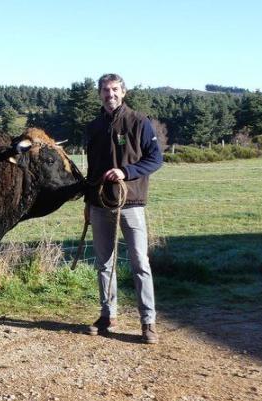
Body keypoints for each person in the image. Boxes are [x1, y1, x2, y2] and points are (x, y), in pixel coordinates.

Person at [84, 73, 163, 344]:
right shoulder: (93, 127)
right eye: (105, 90)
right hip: (99, 203)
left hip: (132, 203)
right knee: (104, 263)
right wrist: (87, 203)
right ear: (100, 95)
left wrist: (126, 172)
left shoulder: (139, 122)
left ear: (123, 92)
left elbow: (155, 159)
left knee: (141, 263)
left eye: (115, 90)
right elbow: (91, 170)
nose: (110, 95)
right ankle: (108, 314)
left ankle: (148, 322)